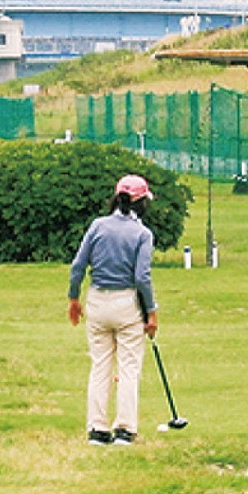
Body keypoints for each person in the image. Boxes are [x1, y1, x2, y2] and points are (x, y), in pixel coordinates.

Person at [68, 174, 159, 446]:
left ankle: (97, 429)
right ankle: (124, 429)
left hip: (97, 300)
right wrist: (151, 311)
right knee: (129, 367)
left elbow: (77, 267)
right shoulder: (142, 234)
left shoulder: (98, 226)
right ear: (142, 203)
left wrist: (74, 298)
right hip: (126, 303)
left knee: (100, 366)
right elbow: (142, 277)